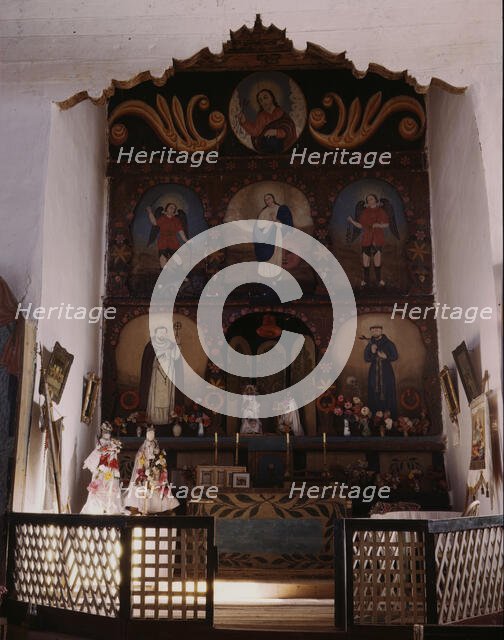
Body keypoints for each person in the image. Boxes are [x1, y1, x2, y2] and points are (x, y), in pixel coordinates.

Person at [125, 425, 179, 514]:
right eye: (149, 434)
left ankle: (161, 506)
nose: (151, 436)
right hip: (145, 469)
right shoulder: (144, 448)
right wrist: (143, 468)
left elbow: (159, 458)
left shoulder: (156, 446)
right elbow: (140, 460)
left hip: (155, 470)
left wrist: (158, 463)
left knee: (158, 485)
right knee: (143, 486)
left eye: (152, 434)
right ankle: (142, 507)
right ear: (146, 435)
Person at [346, 193, 398, 287]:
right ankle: (365, 281)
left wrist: (378, 225)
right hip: (367, 237)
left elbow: (387, 224)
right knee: (366, 260)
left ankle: (379, 280)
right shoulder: (365, 212)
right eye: (368, 199)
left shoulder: (381, 211)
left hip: (377, 237)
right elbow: (360, 225)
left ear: (375, 200)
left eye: (371, 199)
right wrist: (352, 221)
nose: (369, 201)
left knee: (377, 259)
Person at [139, 326, 180, 426]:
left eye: (164, 333)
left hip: (167, 376)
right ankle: (154, 419)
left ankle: (167, 418)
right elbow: (147, 363)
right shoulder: (151, 345)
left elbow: (176, 359)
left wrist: (177, 346)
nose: (162, 335)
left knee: (166, 398)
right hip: (155, 376)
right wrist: (155, 363)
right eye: (160, 333)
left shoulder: (171, 345)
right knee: (155, 398)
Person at [81, 422, 123, 515]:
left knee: (111, 486)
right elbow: (97, 452)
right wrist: (105, 450)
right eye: (105, 432)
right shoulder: (100, 442)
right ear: (102, 433)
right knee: (99, 486)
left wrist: (114, 449)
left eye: (108, 432)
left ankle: (110, 508)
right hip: (101, 468)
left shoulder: (113, 442)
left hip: (110, 467)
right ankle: (97, 507)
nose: (107, 434)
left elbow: (115, 453)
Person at [238, 88, 297, 153]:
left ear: (272, 98)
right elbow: (256, 131)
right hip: (266, 146)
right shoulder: (261, 116)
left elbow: (289, 128)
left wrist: (276, 132)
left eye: (265, 98)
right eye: (260, 100)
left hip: (281, 147)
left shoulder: (280, 112)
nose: (263, 102)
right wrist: (244, 122)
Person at [253, 193, 294, 278]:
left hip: (277, 235)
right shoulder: (264, 212)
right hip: (266, 237)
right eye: (266, 200)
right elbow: (259, 226)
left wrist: (275, 220)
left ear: (273, 198)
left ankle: (276, 273)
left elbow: (284, 225)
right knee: (267, 255)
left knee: (276, 254)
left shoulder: (280, 209)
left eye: (269, 198)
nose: (267, 201)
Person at [363, 326, 398, 418]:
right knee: (373, 392)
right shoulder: (370, 344)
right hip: (374, 373)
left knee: (388, 391)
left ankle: (390, 418)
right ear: (371, 332)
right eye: (373, 330)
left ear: (381, 331)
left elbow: (395, 356)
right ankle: (375, 418)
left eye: (377, 330)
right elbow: (366, 359)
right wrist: (373, 352)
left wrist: (386, 357)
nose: (375, 332)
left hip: (386, 372)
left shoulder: (388, 343)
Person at [147, 202, 188, 268]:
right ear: (166, 209)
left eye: (174, 208)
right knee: (163, 260)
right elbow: (154, 222)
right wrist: (149, 212)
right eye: (171, 207)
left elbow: (181, 231)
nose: (172, 209)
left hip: (173, 242)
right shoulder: (162, 218)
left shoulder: (176, 220)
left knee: (178, 260)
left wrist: (186, 240)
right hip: (163, 242)